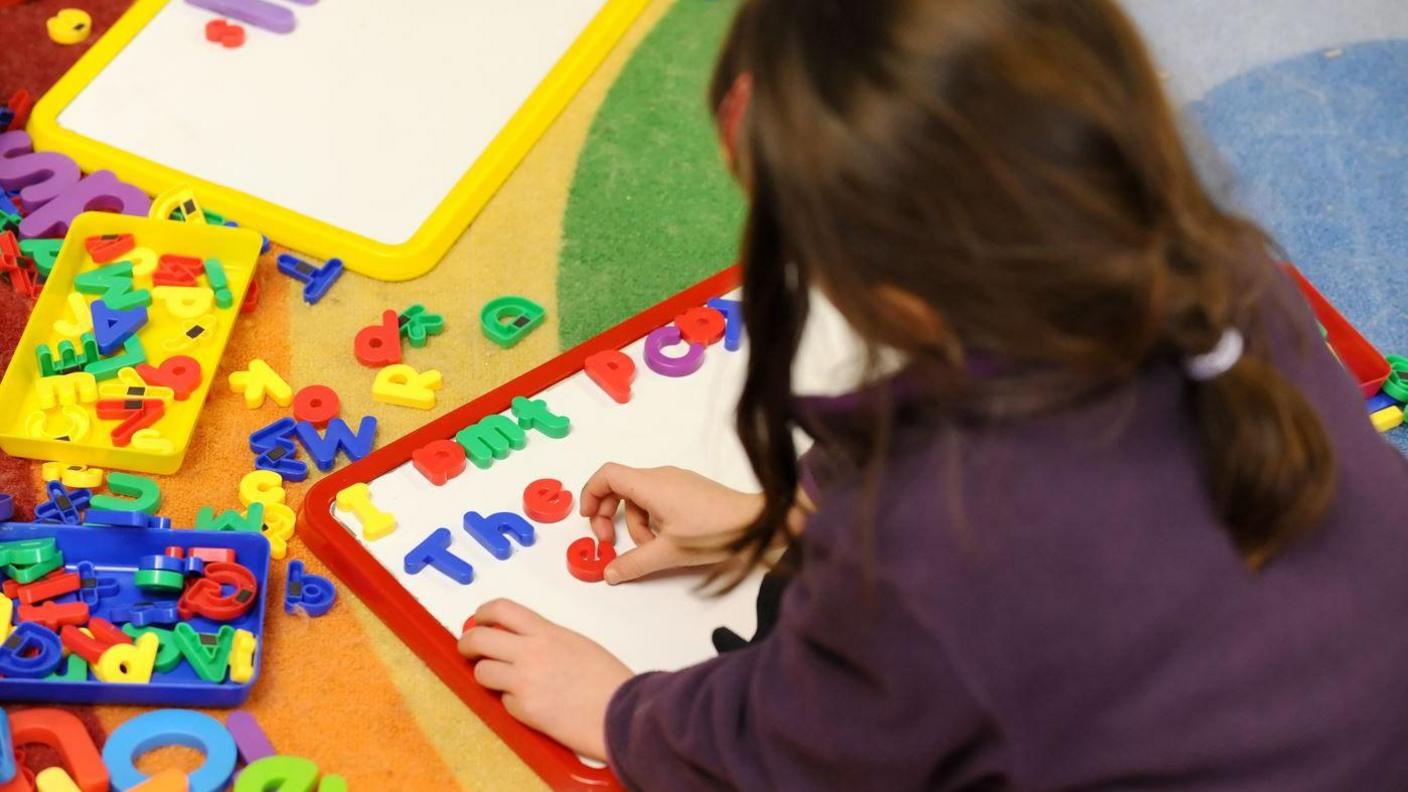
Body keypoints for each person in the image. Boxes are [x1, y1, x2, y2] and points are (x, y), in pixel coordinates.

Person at [459, 0, 1408, 788]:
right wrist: (781, 519)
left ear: (893, 283)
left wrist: (621, 714)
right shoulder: (1221, 272)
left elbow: (806, 748)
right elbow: (1113, 562)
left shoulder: (931, 546)